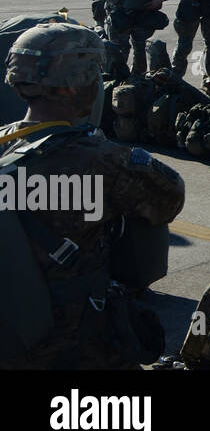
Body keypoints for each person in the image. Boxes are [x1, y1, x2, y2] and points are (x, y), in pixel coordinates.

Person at [1, 22, 185, 368]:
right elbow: (169, 199)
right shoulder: (102, 160)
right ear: (76, 86)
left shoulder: (4, 144)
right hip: (74, 341)